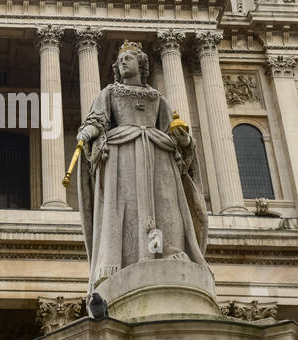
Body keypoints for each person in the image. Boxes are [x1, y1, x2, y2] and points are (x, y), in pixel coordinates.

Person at [74, 41, 209, 288]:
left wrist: (184, 138)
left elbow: (175, 129)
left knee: (165, 203)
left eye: (129, 59)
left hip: (158, 154)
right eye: (120, 60)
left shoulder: (157, 97)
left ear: (141, 64)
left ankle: (168, 249)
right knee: (123, 206)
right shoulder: (109, 93)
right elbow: (98, 119)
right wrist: (87, 132)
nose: (123, 62)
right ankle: (117, 259)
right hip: (122, 154)